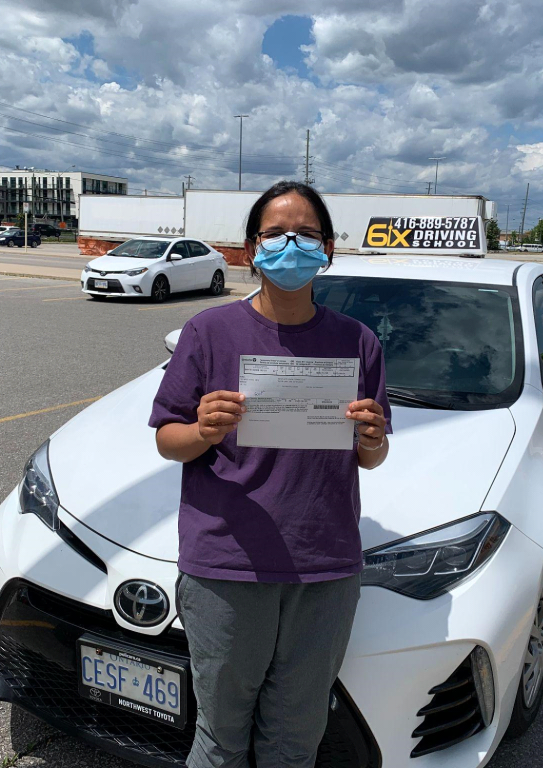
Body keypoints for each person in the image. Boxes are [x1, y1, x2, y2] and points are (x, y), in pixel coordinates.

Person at [149, 180, 391, 768]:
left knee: (295, 742)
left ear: (327, 249)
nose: (290, 244)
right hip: (227, 566)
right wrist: (203, 430)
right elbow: (166, 439)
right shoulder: (209, 332)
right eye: (276, 234)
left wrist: (372, 438)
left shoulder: (356, 341)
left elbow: (371, 456)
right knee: (221, 739)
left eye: (306, 234)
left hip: (324, 567)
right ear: (252, 248)